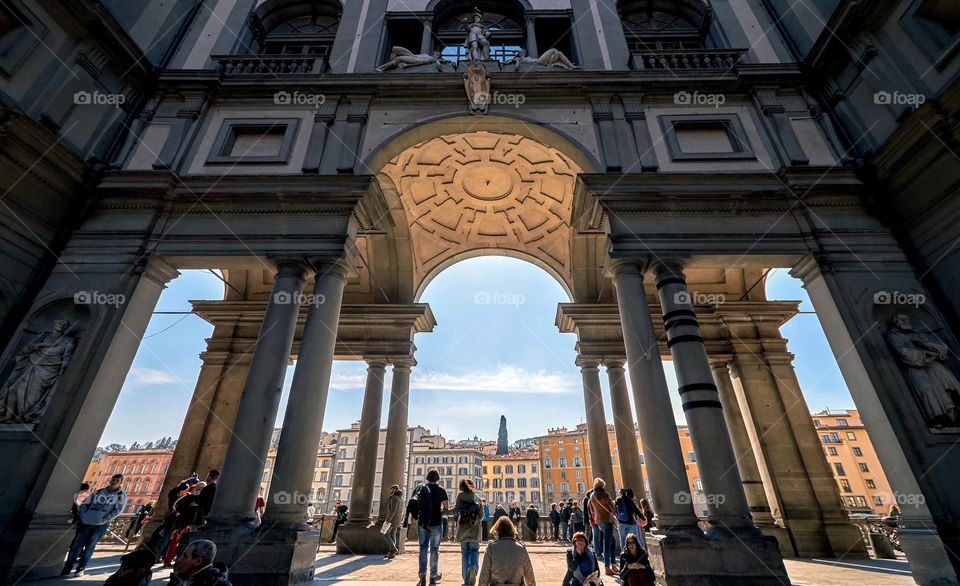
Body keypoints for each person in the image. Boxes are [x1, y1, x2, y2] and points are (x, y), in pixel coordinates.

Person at [61, 473, 126, 576]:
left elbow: (117, 511)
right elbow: (85, 504)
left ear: (120, 483)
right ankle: (67, 567)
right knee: (76, 545)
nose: (114, 482)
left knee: (90, 546)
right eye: (113, 479)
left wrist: (105, 519)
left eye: (117, 481)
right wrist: (83, 515)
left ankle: (81, 568)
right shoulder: (99, 492)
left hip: (101, 525)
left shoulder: (120, 495)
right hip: (86, 522)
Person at [477, 516, 536, 586]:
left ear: (497, 531)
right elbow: (530, 578)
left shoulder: (491, 548)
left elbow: (484, 576)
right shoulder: (521, 548)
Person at [445, 479, 483, 585]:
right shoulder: (477, 497)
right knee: (474, 551)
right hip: (475, 529)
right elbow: (481, 515)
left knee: (465, 553)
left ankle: (466, 580)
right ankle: (473, 569)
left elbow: (456, 511)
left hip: (463, 529)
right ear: (472, 486)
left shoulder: (460, 496)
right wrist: (475, 522)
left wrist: (449, 512)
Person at [416, 468, 449, 586]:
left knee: (423, 549)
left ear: (427, 478)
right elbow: (446, 507)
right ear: (438, 478)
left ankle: (422, 576)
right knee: (434, 550)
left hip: (422, 522)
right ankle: (433, 577)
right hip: (436, 522)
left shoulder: (422, 488)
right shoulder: (441, 490)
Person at [588, 478, 618, 576]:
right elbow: (612, 508)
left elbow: (591, 509)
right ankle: (607, 567)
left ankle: (613, 564)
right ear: (602, 485)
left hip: (599, 521)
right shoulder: (604, 494)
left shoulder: (592, 496)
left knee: (612, 542)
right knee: (607, 543)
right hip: (607, 520)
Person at [382, 484, 405, 559]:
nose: (390, 491)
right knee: (393, 534)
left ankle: (393, 549)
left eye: (391, 489)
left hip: (392, 519)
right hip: (397, 519)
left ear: (394, 490)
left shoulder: (394, 498)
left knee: (385, 534)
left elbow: (392, 510)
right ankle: (392, 553)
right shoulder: (400, 498)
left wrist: (388, 520)